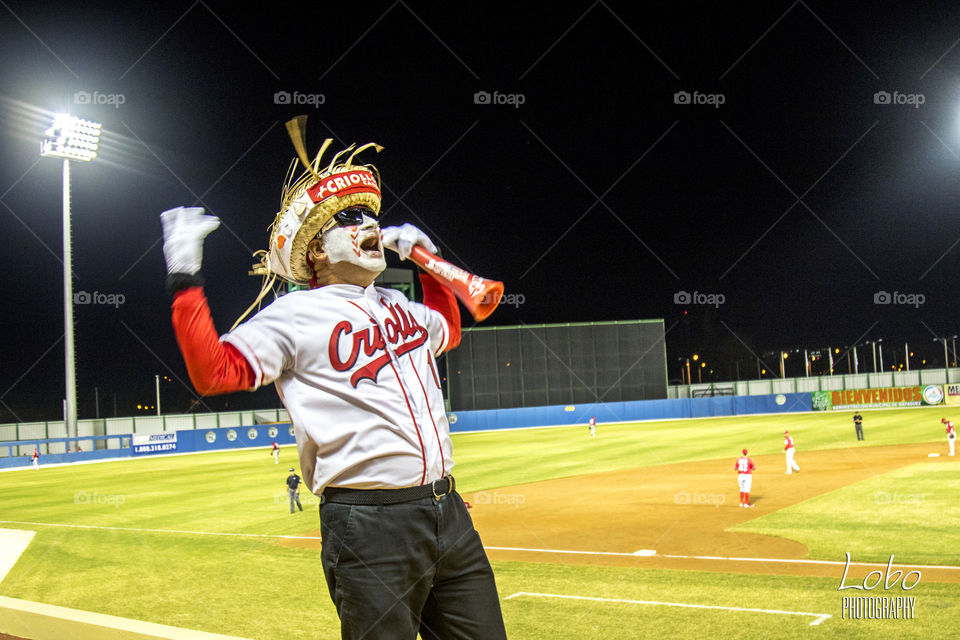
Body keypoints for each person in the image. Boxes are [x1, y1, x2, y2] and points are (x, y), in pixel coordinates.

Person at [161, 122, 506, 640]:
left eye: (370, 215)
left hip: (448, 511)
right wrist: (184, 277)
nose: (368, 223)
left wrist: (428, 263)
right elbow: (214, 373)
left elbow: (449, 331)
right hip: (370, 525)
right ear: (316, 251)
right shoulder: (293, 314)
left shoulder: (397, 304)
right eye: (349, 219)